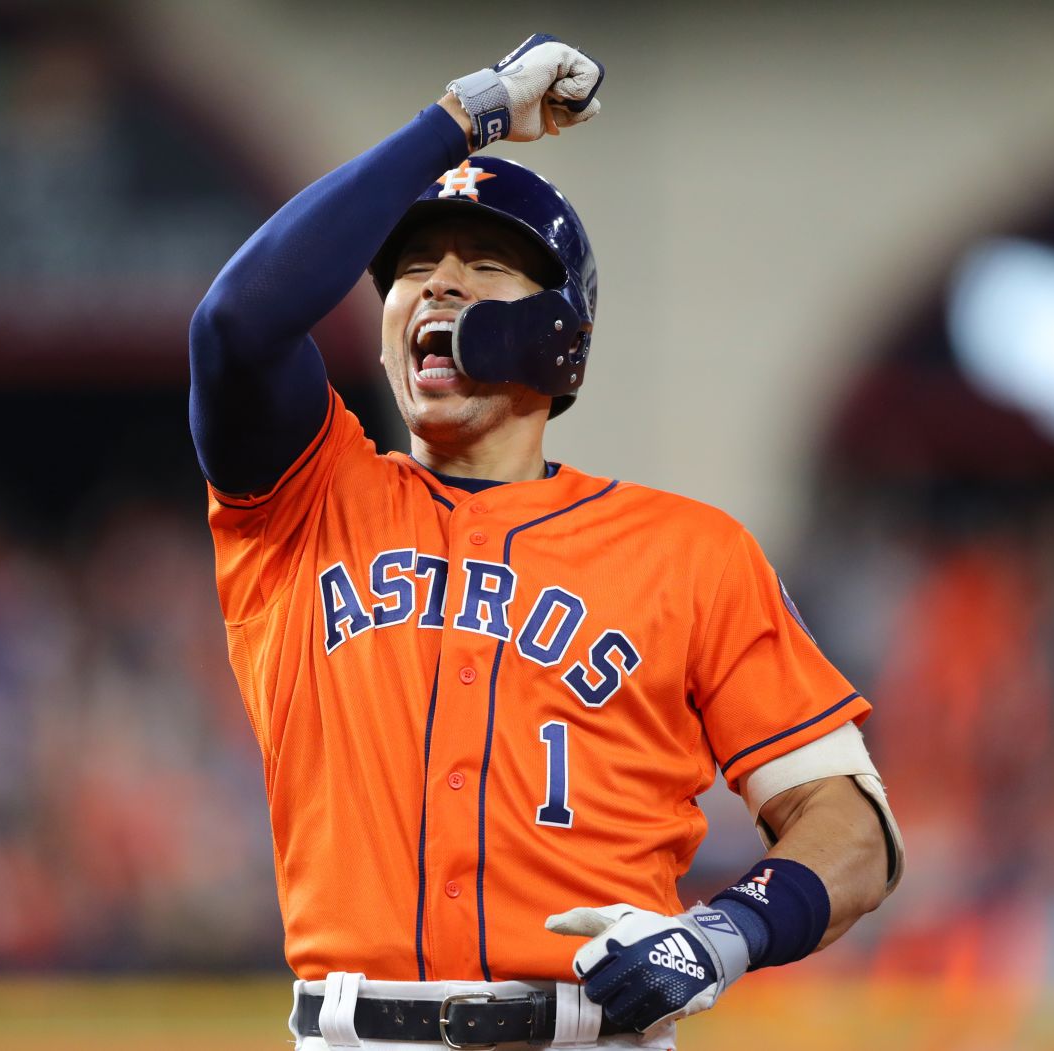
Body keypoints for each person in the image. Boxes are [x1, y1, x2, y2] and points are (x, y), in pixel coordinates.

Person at [189, 34, 904, 1050]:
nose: (436, 287)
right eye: (412, 269)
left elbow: (853, 830)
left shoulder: (689, 553)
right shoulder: (302, 503)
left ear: (561, 335)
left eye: (482, 267)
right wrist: (460, 119)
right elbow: (236, 325)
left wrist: (718, 936)